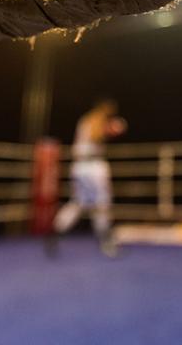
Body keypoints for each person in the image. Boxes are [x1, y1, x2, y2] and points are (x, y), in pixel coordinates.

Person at [52, 98, 126, 257]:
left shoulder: (85, 119)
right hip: (92, 167)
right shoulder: (97, 118)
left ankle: (56, 230)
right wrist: (111, 129)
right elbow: (95, 135)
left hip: (79, 166)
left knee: (79, 202)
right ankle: (107, 243)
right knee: (102, 203)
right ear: (105, 108)